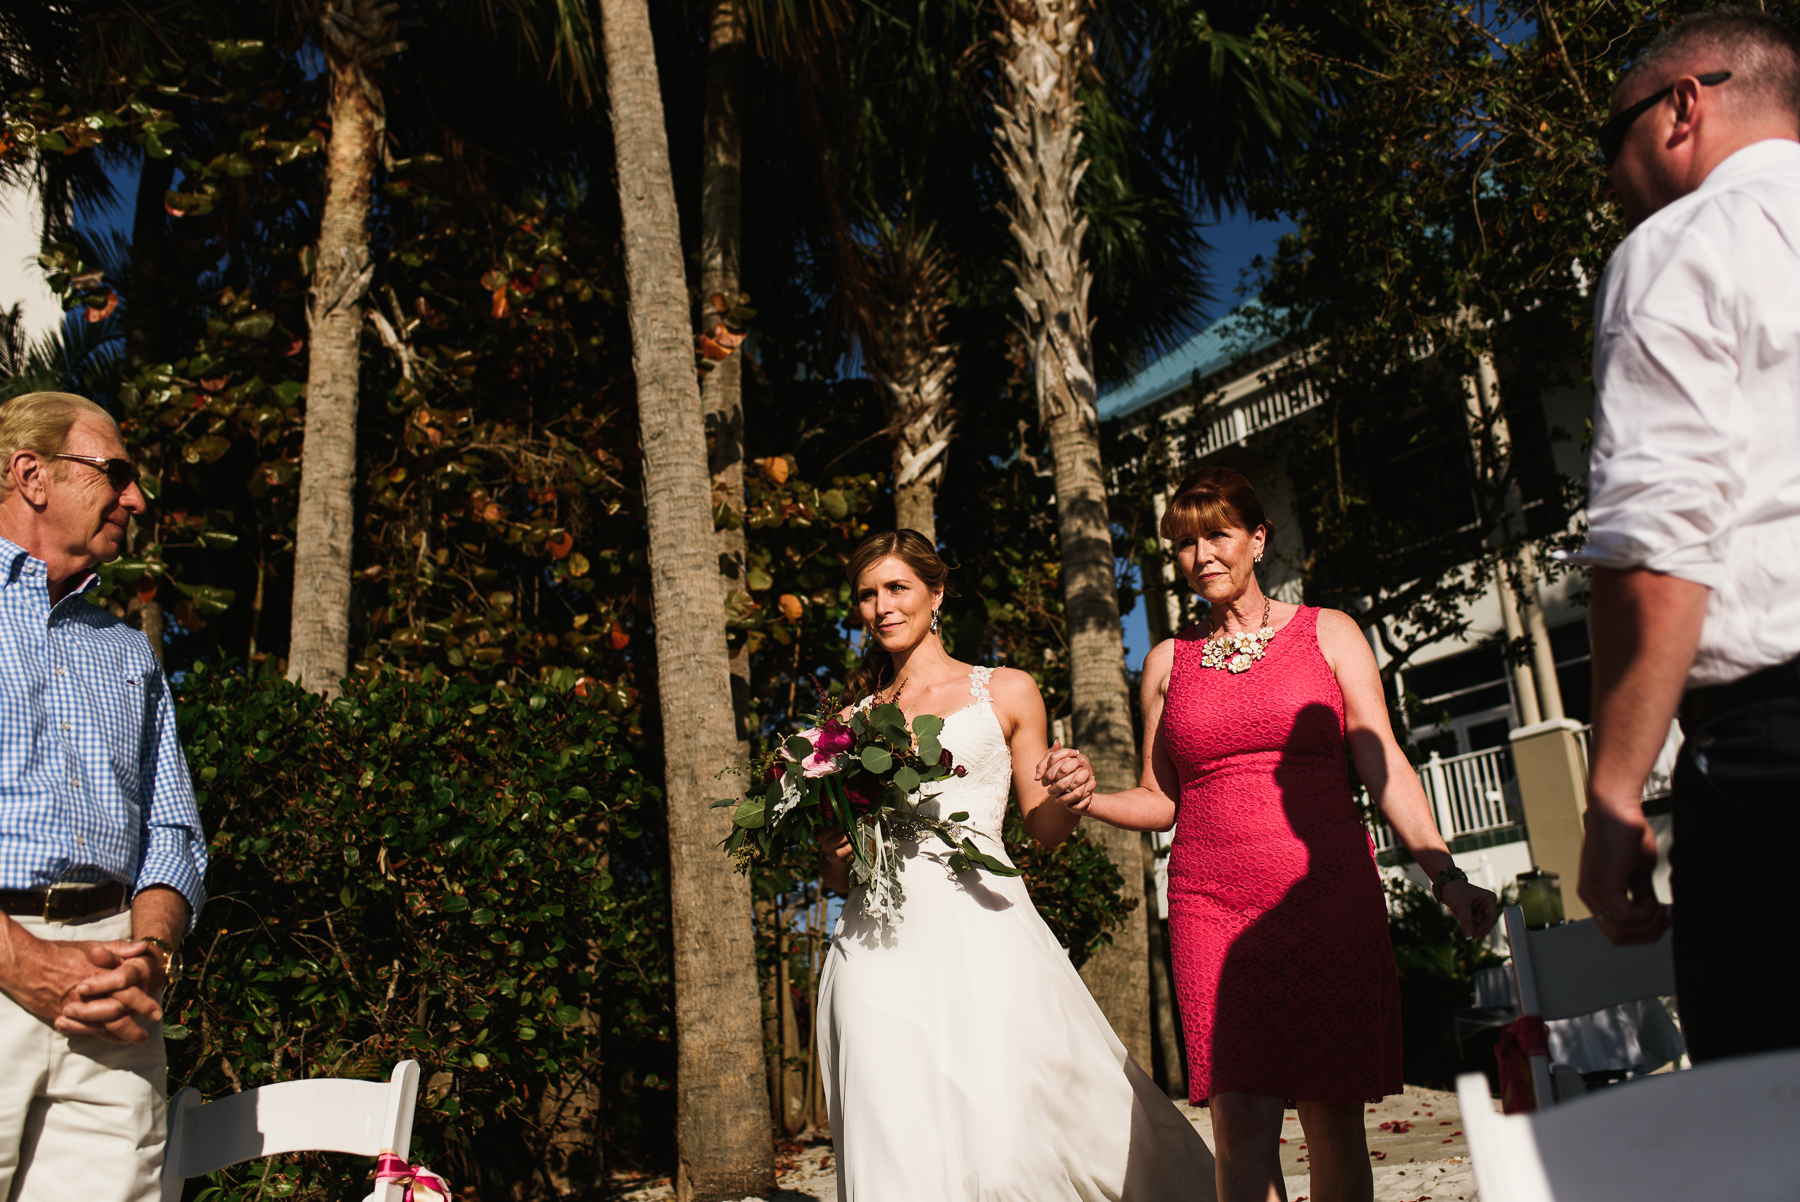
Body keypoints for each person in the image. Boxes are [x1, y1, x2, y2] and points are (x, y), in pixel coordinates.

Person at [1065, 467, 1497, 1202]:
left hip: (1323, 893)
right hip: (1210, 905)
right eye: (1186, 544)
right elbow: (1158, 800)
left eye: (1219, 536)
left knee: (1332, 1119)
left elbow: (1383, 757)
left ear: (1257, 539)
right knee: (1239, 1122)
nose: (1202, 555)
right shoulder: (1167, 663)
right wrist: (1087, 800)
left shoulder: (1330, 633)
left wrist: (1444, 875)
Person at [814, 529, 1215, 1201]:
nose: (882, 606)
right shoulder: (847, 728)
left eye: (897, 588)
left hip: (983, 930)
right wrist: (832, 857)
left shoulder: (1006, 690)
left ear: (935, 594)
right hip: (873, 943)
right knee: (892, 1132)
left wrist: (1071, 793)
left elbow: (1044, 827)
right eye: (867, 594)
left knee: (1006, 1144)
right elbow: (836, 870)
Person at [1573, 7, 1800, 1063]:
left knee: (1772, 1118)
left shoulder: (1684, 244)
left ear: (1681, 107)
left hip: (1775, 760)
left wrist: (1615, 790)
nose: (1608, 174)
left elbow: (1659, 549)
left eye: (1605, 139)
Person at [0, 392, 207, 1201]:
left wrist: (149, 957)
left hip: (116, 1001)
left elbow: (172, 830)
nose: (136, 498)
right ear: (32, 475)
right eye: (114, 473)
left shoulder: (127, 649)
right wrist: (25, 963)